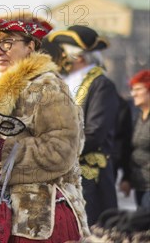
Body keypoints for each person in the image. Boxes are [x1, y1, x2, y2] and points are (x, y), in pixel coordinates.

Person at [0, 15, 90, 242]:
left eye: (7, 43)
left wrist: (3, 149)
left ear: (30, 46)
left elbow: (61, 150)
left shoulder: (48, 87)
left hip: (32, 215)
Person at [48, 25, 119, 225]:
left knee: (88, 229)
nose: (60, 57)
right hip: (61, 173)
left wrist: (57, 151)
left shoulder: (101, 85)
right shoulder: (64, 82)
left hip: (88, 175)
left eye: (63, 52)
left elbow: (95, 132)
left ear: (78, 57)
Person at [119, 69, 150, 210]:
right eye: (132, 89)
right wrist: (127, 178)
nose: (133, 94)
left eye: (138, 89)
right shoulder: (138, 117)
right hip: (140, 186)